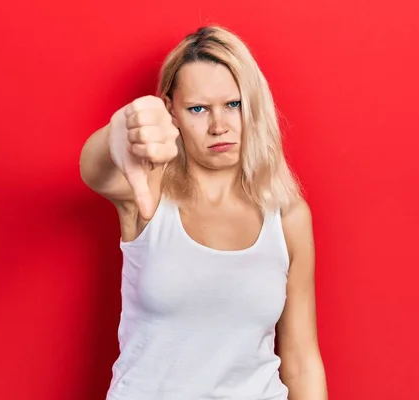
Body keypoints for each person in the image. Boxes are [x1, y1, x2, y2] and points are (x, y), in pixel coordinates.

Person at [79, 25, 328, 400]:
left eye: (233, 104)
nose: (219, 126)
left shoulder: (287, 215)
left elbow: (300, 359)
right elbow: (95, 170)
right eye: (198, 109)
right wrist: (119, 134)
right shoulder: (147, 189)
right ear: (171, 112)